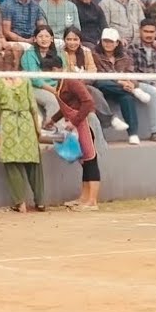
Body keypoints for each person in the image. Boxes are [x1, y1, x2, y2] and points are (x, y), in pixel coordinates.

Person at [0, 45, 45, 212]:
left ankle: (19, 202)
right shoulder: (25, 79)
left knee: (12, 163)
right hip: (27, 119)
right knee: (34, 161)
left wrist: (1, 123)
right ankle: (40, 200)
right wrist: (37, 128)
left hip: (9, 120)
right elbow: (33, 106)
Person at [41, 55, 101, 211]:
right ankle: (84, 198)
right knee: (84, 161)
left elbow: (88, 102)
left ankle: (92, 201)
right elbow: (66, 106)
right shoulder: (61, 84)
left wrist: (75, 121)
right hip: (75, 124)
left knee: (90, 159)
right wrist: (54, 120)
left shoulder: (71, 81)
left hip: (83, 124)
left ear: (54, 70)